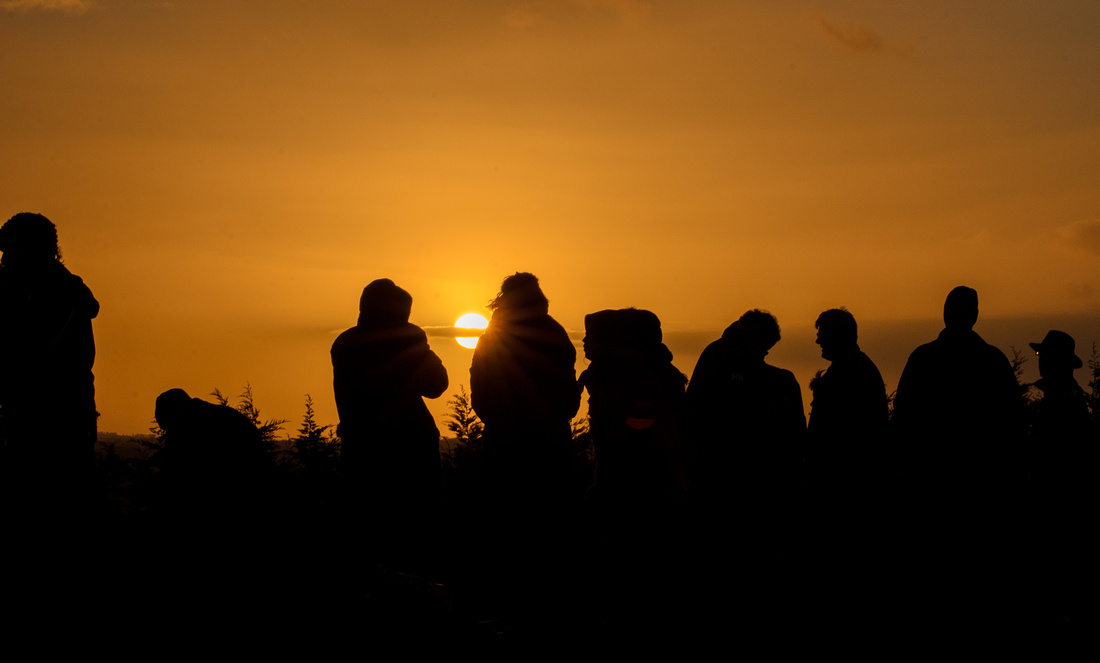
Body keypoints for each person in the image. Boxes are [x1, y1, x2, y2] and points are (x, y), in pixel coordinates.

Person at [331, 279, 448, 571]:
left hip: (361, 455)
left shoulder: (345, 343)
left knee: (367, 545)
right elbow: (436, 384)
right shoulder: (405, 341)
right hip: (408, 454)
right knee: (415, 545)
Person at [0, 212, 99, 519]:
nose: (4, 257)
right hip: (69, 416)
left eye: (9, 250)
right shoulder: (68, 290)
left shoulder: (32, 292)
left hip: (38, 417)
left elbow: (22, 353)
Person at [469, 272, 580, 508]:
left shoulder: (493, 337)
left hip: (506, 438)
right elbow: (567, 390)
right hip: (548, 438)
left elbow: (480, 386)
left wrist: (498, 420)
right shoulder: (555, 334)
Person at [685, 309, 805, 505]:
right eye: (764, 346)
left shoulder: (725, 355)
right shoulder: (723, 358)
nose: (765, 352)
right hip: (722, 469)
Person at [579, 308, 688, 511]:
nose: (584, 341)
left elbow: (628, 442)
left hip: (639, 489)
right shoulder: (606, 373)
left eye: (591, 334)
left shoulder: (627, 376)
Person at [1026, 330, 1096, 624]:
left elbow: (1056, 463)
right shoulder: (1069, 399)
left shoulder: (1063, 405)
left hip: (1058, 512)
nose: (1040, 361)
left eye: (1044, 356)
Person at [806, 308, 888, 493]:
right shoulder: (855, 367)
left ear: (838, 336)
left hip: (844, 481)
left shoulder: (849, 373)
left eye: (823, 335)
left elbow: (835, 433)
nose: (818, 341)